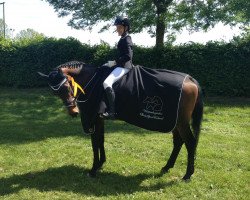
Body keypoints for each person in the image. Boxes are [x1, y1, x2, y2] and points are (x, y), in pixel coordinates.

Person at [102, 16, 134, 119]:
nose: (117, 29)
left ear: (126, 28)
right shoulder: (123, 38)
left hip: (125, 67)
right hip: (120, 65)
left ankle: (113, 112)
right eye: (117, 27)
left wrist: (115, 62)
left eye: (119, 27)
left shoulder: (127, 39)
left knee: (106, 83)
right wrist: (110, 63)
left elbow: (128, 56)